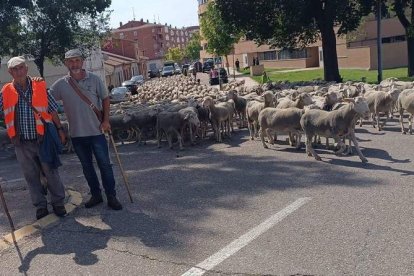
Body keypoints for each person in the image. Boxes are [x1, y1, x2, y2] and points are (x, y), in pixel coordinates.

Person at [49, 49, 122, 210]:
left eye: (76, 60)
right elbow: (48, 102)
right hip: (77, 134)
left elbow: (105, 99)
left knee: (105, 165)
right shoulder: (61, 85)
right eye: (70, 61)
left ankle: (111, 196)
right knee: (87, 167)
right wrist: (58, 126)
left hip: (97, 131)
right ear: (66, 63)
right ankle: (96, 195)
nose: (74, 64)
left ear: (82, 62)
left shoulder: (94, 79)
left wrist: (106, 120)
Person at [0, 56, 67, 219]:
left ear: (26, 68)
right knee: (30, 176)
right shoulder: (5, 91)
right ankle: (40, 206)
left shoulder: (39, 86)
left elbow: (52, 110)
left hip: (42, 139)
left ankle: (58, 203)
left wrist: (60, 129)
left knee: (50, 172)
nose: (19, 71)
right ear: (10, 72)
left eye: (21, 67)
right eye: (15, 69)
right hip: (21, 143)